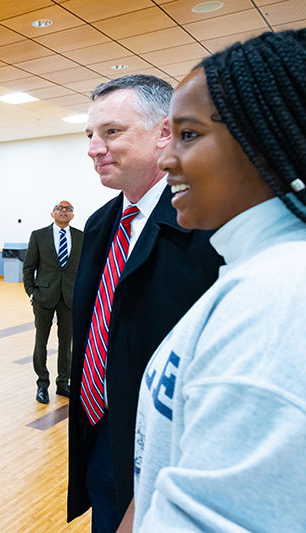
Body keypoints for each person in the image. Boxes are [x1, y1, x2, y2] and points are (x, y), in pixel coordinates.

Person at [126, 29, 306, 532]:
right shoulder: (254, 271)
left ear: (266, 138)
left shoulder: (279, 297)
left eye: (189, 134)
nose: (166, 160)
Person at [67, 75, 222, 532]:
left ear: (164, 133)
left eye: (111, 132)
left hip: (171, 448)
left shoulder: (207, 227)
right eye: (91, 135)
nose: (94, 148)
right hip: (100, 433)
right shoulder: (101, 225)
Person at [23, 201, 82, 403]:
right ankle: (42, 383)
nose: (64, 211)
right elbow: (29, 266)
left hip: (70, 297)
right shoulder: (38, 235)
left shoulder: (81, 237)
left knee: (66, 343)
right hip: (44, 297)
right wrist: (31, 292)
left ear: (72, 216)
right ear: (52, 213)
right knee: (41, 341)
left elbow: (85, 268)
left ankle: (63, 383)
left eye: (68, 209)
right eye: (60, 208)